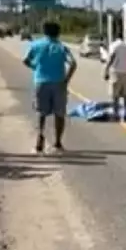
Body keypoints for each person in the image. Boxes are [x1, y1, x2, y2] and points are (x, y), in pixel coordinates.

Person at [24, 21, 76, 152]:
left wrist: (35, 68)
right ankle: (58, 142)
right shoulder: (62, 47)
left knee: (41, 112)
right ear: (58, 33)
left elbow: (25, 60)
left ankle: (39, 138)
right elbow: (73, 63)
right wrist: (66, 80)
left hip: (41, 81)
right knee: (59, 114)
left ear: (44, 31)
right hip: (58, 83)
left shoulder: (35, 45)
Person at [103, 30, 126, 121]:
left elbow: (112, 57)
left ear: (116, 36)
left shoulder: (114, 45)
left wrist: (106, 70)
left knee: (115, 96)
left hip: (116, 72)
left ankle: (116, 115)